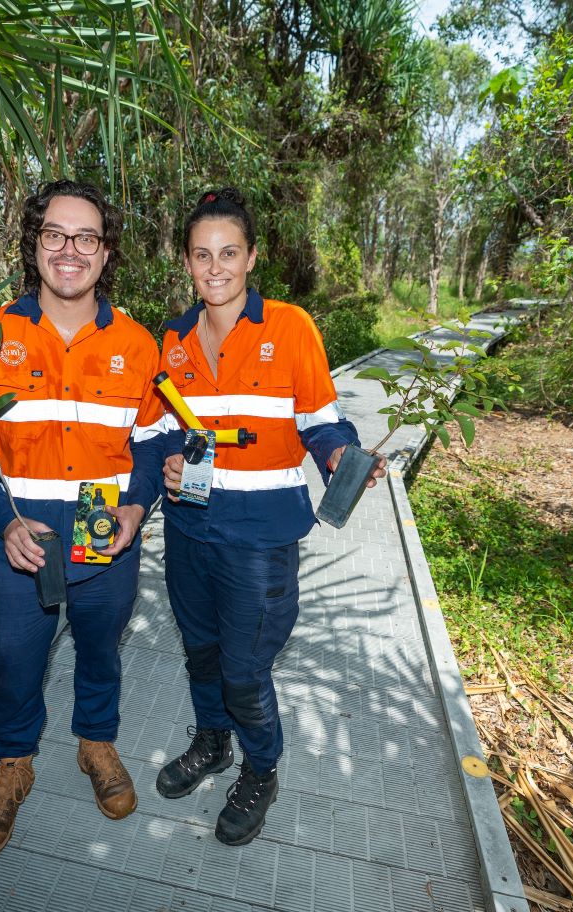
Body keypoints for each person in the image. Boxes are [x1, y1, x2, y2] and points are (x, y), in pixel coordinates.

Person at [0, 179, 166, 859]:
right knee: (14, 657)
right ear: (35, 244)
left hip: (103, 523)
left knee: (101, 645)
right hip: (24, 527)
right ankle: (13, 762)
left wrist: (136, 503)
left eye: (86, 237)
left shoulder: (136, 342)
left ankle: (96, 743)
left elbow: (152, 442)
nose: (70, 250)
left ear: (105, 251)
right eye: (55, 235)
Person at [152, 188, 386, 846]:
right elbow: (165, 430)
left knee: (245, 668)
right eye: (203, 255)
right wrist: (172, 462)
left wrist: (343, 456)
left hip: (258, 539)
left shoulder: (289, 327)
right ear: (189, 263)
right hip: (189, 529)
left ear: (251, 257)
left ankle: (261, 769)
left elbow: (319, 420)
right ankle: (211, 742)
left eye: (229, 253)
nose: (216, 267)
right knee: (202, 654)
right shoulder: (171, 338)